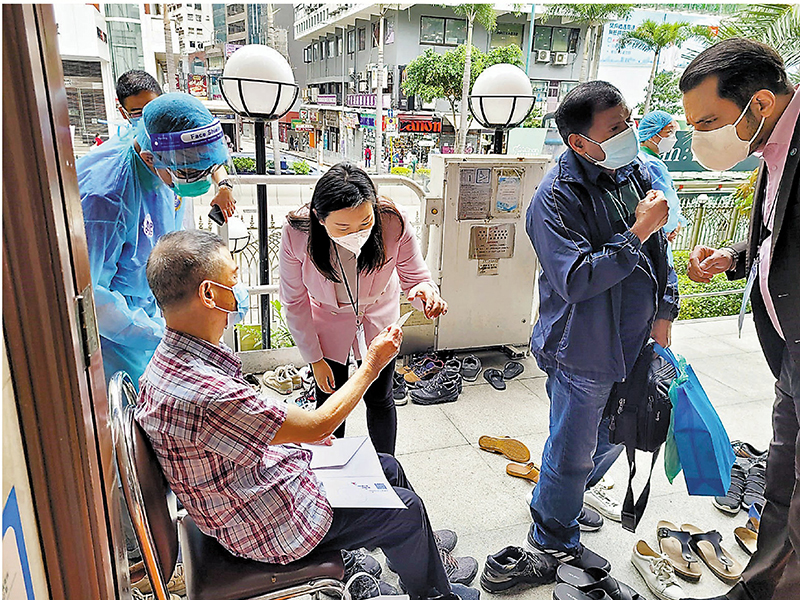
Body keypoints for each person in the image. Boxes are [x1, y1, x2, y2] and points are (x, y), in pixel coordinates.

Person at [137, 229, 479, 600]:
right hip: (265, 522)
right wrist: (372, 364)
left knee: (386, 467)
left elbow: (259, 429)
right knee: (407, 511)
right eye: (233, 280)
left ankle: (415, 560)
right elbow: (320, 423)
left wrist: (304, 435)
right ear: (208, 294)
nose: (240, 291)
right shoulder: (204, 393)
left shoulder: (169, 361)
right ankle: (434, 591)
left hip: (250, 488)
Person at [524, 81, 678, 572]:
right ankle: (552, 535)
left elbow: (660, 254)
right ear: (579, 142)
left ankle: (560, 500)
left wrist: (664, 311)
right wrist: (638, 230)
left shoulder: (632, 172)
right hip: (582, 348)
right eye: (616, 128)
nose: (629, 132)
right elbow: (575, 278)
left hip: (634, 341)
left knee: (613, 432)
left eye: (630, 121)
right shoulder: (553, 198)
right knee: (573, 448)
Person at [679, 38, 799, 600]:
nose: (702, 138)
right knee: (781, 480)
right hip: (788, 349)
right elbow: (781, 238)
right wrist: (733, 256)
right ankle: (756, 589)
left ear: (760, 104)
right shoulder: (775, 150)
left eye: (710, 121)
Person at [279, 163, 446, 456]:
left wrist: (425, 294)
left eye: (365, 223)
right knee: (330, 401)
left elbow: (416, 278)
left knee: (380, 397)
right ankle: (332, 475)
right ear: (319, 218)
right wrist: (314, 358)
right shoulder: (297, 233)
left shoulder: (393, 221)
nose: (356, 233)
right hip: (327, 321)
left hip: (378, 316)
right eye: (342, 227)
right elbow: (294, 300)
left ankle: (386, 468)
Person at [78, 92, 230, 389]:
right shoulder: (106, 200)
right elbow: (94, 296)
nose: (195, 178)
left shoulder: (163, 168)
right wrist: (160, 332)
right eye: (186, 171)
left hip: (152, 311)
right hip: (120, 338)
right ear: (149, 158)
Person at [115, 69, 237, 223]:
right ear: (149, 158)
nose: (196, 174)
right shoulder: (114, 195)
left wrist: (224, 187)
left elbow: (206, 160)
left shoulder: (173, 150)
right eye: (186, 172)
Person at [637, 110, 687, 264]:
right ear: (653, 135)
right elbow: (667, 202)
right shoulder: (652, 164)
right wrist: (673, 225)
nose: (673, 138)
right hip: (654, 238)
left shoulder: (639, 158)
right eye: (669, 132)